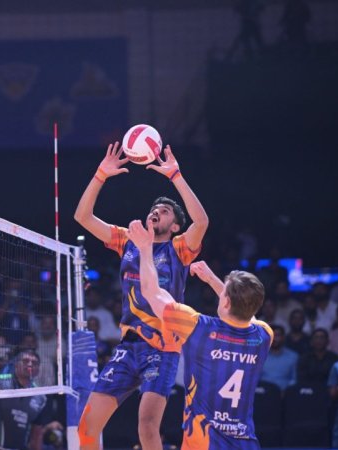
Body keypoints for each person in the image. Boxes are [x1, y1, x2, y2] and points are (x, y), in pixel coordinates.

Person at [74, 142, 208, 450]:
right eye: (154, 209)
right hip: (128, 346)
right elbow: (83, 216)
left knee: (147, 427)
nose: (155, 212)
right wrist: (100, 175)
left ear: (175, 226)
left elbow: (201, 222)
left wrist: (175, 176)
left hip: (162, 346)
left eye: (164, 211)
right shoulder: (128, 240)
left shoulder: (179, 248)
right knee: (87, 428)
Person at [126, 219, 272, 449]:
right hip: (246, 443)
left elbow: (151, 291)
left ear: (226, 301)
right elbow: (247, 312)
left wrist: (145, 248)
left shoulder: (198, 326)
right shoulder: (263, 336)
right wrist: (212, 280)